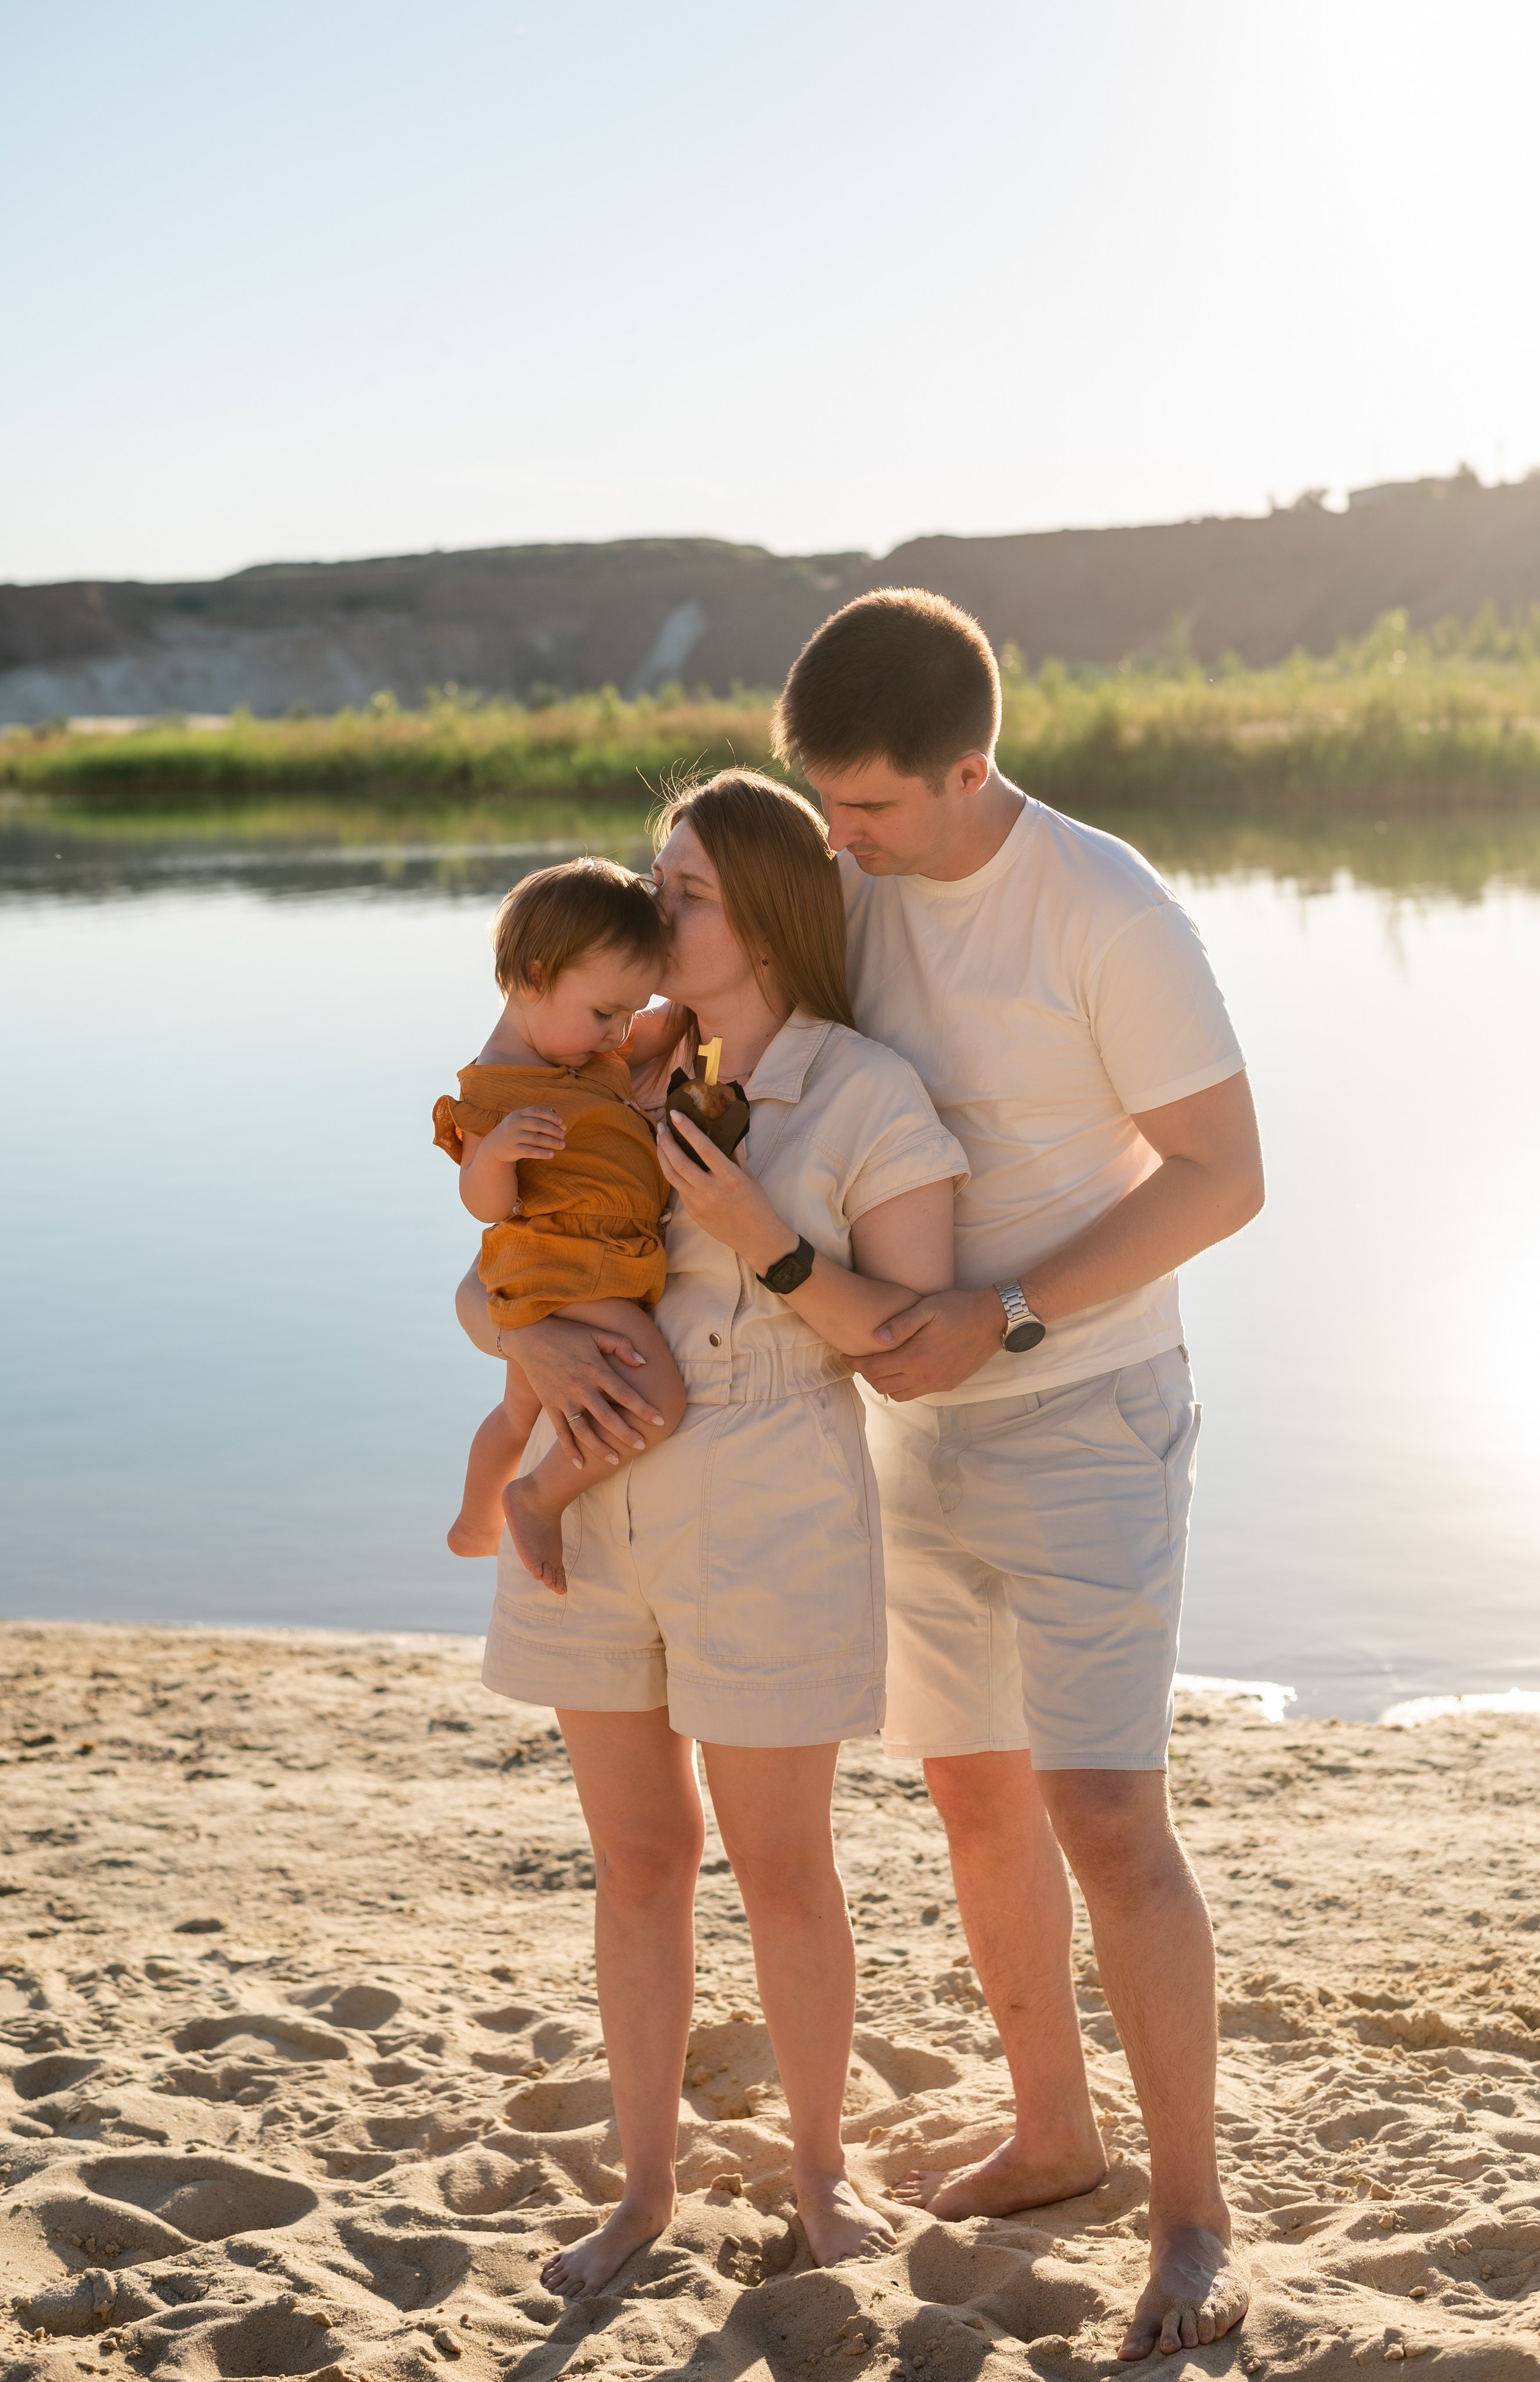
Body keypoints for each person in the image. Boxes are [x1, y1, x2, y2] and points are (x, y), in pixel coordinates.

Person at [769, 587, 1264, 2362]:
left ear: (970, 766)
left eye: (874, 808)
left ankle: (1195, 2211)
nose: (844, 841)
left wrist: (1018, 1320)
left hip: (1088, 1409)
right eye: (825, 805)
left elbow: (1223, 1173)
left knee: (1109, 1817)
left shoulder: (1108, 907)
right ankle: (1055, 2129)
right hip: (907, 1419)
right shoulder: (849, 884)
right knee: (973, 1798)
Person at [458, 770, 967, 2297]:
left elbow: (915, 1334)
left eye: (678, 890)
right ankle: (643, 2186)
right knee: (636, 1861)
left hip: (769, 1508)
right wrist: (512, 1335)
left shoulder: (867, 1091)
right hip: (582, 1492)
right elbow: (499, 1256)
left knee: (782, 1867)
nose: (648, 909)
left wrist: (771, 1242)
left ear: (758, 911)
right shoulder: (601, 1058)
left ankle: (818, 2172)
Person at [433, 857, 686, 1589]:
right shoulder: (495, 1087)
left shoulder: (582, 1052)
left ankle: (474, 1521)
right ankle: (535, 1498)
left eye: (630, 1014)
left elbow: (669, 1026)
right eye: (605, 1012)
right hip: (573, 1270)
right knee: (656, 1404)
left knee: (520, 1410)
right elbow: (482, 1206)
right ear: (534, 978)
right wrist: (500, 1153)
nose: (618, 1035)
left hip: (568, 1269)